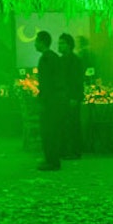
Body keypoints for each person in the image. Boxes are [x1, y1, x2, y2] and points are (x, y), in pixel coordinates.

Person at [35, 30, 64, 171]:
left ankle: (51, 161)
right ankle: (53, 159)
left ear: (42, 42)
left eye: (36, 41)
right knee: (53, 131)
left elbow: (46, 83)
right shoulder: (54, 57)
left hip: (50, 101)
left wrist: (42, 101)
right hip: (56, 99)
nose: (35, 44)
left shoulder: (46, 59)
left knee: (48, 131)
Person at [58, 33, 85, 159]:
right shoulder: (61, 60)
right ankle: (65, 150)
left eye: (62, 43)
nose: (59, 46)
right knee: (64, 125)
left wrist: (75, 97)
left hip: (72, 98)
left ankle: (75, 151)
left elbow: (77, 81)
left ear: (69, 45)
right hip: (63, 97)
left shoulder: (75, 61)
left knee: (73, 125)